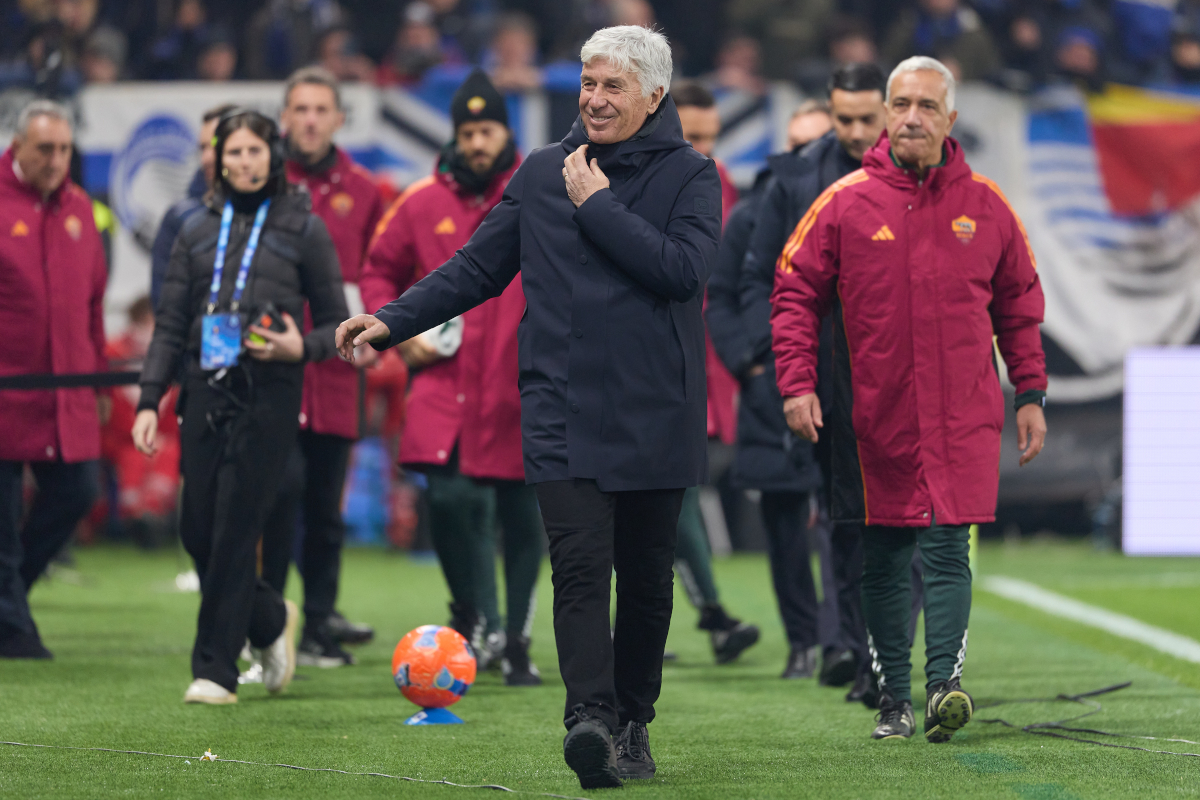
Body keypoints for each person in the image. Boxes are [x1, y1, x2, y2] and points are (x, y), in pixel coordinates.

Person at [337, 26, 722, 788]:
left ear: (653, 95)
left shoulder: (693, 176)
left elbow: (681, 272)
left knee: (646, 583)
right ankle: (589, 721)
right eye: (586, 83)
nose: (594, 99)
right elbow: (478, 265)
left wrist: (602, 206)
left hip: (657, 411)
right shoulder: (543, 171)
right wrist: (392, 320)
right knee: (580, 570)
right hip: (560, 406)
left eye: (613, 86)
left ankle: (634, 720)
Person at [771, 56, 1048, 741]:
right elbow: (793, 293)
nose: (912, 117)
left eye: (927, 105)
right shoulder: (843, 202)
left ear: (951, 118)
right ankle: (893, 695)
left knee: (949, 546)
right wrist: (797, 383)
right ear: (887, 114)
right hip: (874, 416)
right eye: (901, 104)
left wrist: (1031, 392)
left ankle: (941, 688)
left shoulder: (986, 205)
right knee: (887, 552)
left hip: (964, 412)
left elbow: (1019, 304)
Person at [132, 109, 348, 705]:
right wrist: (150, 400)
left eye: (254, 151)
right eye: (233, 153)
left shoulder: (304, 226)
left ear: (273, 156)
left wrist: (296, 346)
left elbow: (337, 326)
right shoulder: (195, 227)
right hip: (203, 389)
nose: (243, 162)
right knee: (197, 529)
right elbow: (171, 323)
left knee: (232, 530)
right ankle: (271, 619)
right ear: (217, 160)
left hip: (269, 393)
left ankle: (215, 671)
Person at [722, 64, 919, 701]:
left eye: (869, 118)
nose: (859, 132)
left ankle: (889, 657)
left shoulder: (925, 171)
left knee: (907, 527)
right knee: (842, 524)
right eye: (846, 119)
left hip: (904, 380)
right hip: (825, 379)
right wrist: (773, 363)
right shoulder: (794, 182)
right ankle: (851, 653)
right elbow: (758, 281)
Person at [361, 68, 544, 685]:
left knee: (523, 514)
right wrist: (398, 333)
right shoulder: (419, 202)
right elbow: (377, 270)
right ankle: (473, 615)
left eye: (487, 129)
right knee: (448, 501)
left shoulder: (539, 193)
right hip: (443, 382)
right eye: (467, 131)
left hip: (518, 380)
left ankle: (514, 638)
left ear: (506, 133)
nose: (476, 142)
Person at [258, 66, 383, 669]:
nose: (309, 119)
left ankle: (318, 625)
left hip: (336, 371)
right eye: (299, 108)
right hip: (272, 369)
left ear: (338, 118)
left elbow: (376, 271)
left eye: (320, 109)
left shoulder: (365, 189)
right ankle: (267, 624)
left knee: (325, 509)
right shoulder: (259, 180)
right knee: (277, 499)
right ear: (285, 117)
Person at [0, 100, 106, 659]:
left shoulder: (81, 209)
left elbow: (92, 302)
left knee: (78, 491)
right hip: (5, 395)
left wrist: (98, 383)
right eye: (45, 148)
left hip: (65, 392)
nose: (56, 159)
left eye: (64, 149)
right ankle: (14, 628)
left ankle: (6, 600)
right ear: (16, 146)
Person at [668, 79, 759, 665]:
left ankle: (708, 614)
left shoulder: (718, 185)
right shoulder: (627, 181)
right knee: (667, 493)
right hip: (639, 364)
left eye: (711, 139)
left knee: (672, 491)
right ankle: (713, 613)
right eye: (691, 136)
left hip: (697, 362)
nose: (702, 149)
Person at [151, 103, 237, 312]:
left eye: (215, 145)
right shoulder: (179, 219)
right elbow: (164, 305)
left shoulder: (273, 212)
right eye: (202, 147)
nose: (207, 157)